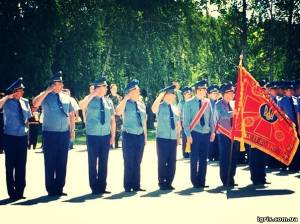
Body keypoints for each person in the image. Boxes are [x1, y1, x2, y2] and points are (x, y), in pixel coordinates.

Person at [33, 71, 76, 197]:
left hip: (64, 134)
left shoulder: (66, 98)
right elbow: (35, 104)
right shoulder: (46, 96)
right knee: (50, 161)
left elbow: (72, 115)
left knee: (62, 161)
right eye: (58, 83)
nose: (61, 85)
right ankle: (51, 188)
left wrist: (72, 131)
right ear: (52, 85)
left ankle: (60, 187)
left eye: (62, 83)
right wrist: (46, 91)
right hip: (50, 134)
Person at [79, 77, 116, 195]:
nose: (106, 89)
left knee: (104, 162)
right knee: (92, 162)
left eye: (106, 87)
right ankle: (94, 187)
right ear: (98, 88)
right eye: (104, 87)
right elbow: (81, 106)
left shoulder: (108, 101)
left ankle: (102, 186)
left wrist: (113, 135)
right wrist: (92, 94)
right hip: (93, 135)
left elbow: (112, 119)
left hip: (105, 135)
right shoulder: (89, 99)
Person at [0, 77, 32, 199]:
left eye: (22, 90)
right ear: (14, 91)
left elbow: (27, 120)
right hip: (10, 136)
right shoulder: (7, 101)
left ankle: (20, 191)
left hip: (22, 137)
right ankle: (11, 192)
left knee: (21, 164)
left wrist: (28, 136)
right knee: (10, 165)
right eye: (20, 90)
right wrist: (8, 97)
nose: (22, 92)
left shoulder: (25, 101)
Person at [183, 79, 215, 188]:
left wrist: (213, 131)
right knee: (194, 158)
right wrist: (188, 135)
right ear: (198, 90)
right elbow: (186, 121)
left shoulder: (207, 102)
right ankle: (194, 181)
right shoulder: (189, 103)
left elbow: (211, 119)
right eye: (204, 89)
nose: (206, 91)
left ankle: (202, 181)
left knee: (203, 159)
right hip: (194, 133)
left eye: (206, 89)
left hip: (206, 133)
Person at [116, 79, 147, 192]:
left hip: (140, 135)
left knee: (138, 161)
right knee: (129, 161)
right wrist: (125, 98)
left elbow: (144, 122)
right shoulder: (125, 104)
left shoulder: (141, 104)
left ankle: (137, 185)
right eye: (137, 90)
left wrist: (145, 137)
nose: (139, 92)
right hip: (129, 136)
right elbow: (118, 112)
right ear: (131, 92)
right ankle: (128, 186)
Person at [151, 85, 180, 190]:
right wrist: (160, 96)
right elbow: (153, 109)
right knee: (162, 161)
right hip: (162, 138)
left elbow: (177, 124)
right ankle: (162, 182)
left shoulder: (175, 108)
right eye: (172, 94)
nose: (174, 96)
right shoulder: (160, 105)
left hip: (172, 138)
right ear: (166, 95)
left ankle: (169, 182)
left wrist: (178, 137)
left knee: (172, 162)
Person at [215, 82, 239, 187]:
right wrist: (234, 113)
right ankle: (225, 180)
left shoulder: (233, 104)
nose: (233, 94)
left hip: (233, 134)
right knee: (225, 157)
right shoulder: (218, 104)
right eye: (231, 92)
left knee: (233, 157)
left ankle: (231, 178)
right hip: (224, 134)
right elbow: (223, 115)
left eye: (233, 92)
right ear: (225, 93)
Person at [278, 81, 299, 172]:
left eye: (291, 89)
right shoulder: (281, 101)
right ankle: (284, 165)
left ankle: (295, 166)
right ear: (285, 91)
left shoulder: (296, 100)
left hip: (296, 126)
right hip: (287, 126)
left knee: (296, 146)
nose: (290, 91)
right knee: (287, 147)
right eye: (288, 90)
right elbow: (279, 115)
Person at [178, 86, 193, 159]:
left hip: (193, 123)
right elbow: (179, 114)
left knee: (192, 138)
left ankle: (191, 152)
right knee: (185, 138)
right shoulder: (181, 103)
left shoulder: (193, 102)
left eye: (189, 94)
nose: (188, 95)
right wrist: (180, 125)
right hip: (184, 123)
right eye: (186, 94)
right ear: (183, 95)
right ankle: (185, 153)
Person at [207, 84, 220, 161]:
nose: (215, 95)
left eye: (216, 93)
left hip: (219, 126)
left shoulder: (219, 102)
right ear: (209, 94)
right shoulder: (207, 103)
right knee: (210, 142)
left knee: (217, 142)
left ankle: (217, 156)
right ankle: (209, 156)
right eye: (213, 93)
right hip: (210, 126)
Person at [109, 83, 122, 149]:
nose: (115, 90)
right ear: (110, 89)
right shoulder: (108, 98)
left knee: (118, 131)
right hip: (111, 116)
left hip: (118, 117)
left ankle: (116, 143)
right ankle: (110, 144)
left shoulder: (119, 97)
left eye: (116, 89)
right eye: (113, 89)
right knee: (110, 130)